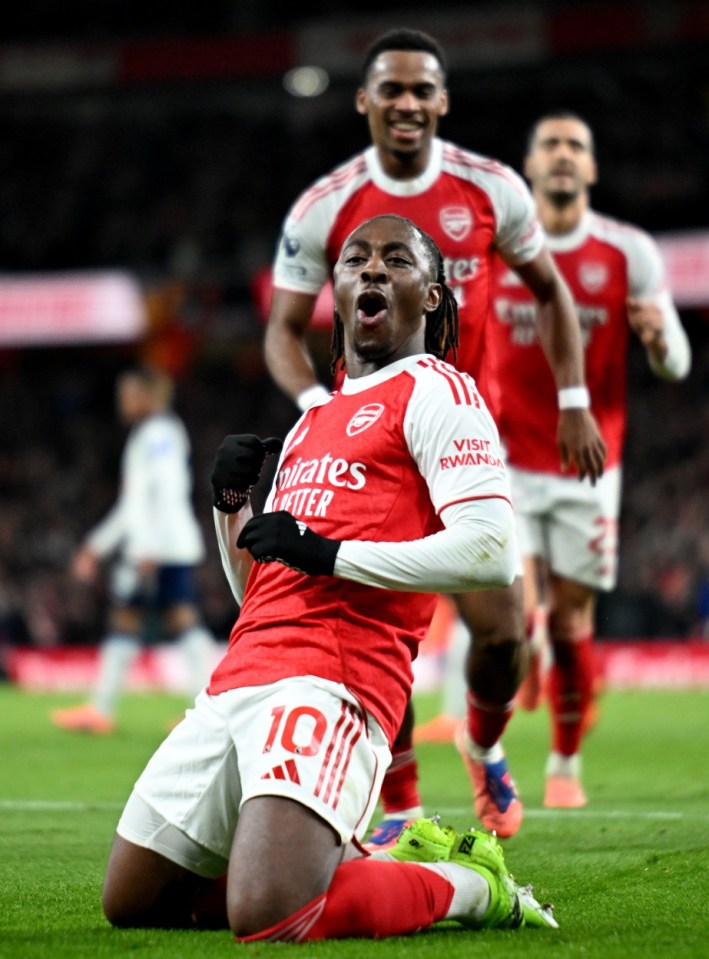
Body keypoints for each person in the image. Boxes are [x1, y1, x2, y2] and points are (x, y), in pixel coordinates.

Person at [99, 215, 559, 940]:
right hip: (238, 676)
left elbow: (491, 550)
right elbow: (261, 591)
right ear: (336, 289)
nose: (371, 269)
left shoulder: (437, 391)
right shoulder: (314, 418)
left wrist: (329, 553)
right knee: (131, 902)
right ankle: (351, 857)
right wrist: (230, 508)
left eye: (396, 259)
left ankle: (470, 884)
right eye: (356, 259)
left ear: (431, 296)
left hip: (334, 677)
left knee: (270, 913)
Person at [264, 27, 606, 842]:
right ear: (364, 101)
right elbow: (282, 330)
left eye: (422, 90)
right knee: (372, 624)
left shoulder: (491, 189)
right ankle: (401, 805)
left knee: (502, 635)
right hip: (364, 444)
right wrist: (318, 405)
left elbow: (550, 291)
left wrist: (572, 396)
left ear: (443, 100)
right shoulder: (324, 205)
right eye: (391, 89)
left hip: (459, 433)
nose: (407, 103)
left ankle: (481, 745)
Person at [487, 111, 691, 806]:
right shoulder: (497, 247)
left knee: (573, 622)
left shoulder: (626, 250)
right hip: (502, 459)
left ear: (593, 169)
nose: (564, 155)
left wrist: (661, 339)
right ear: (529, 166)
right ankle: (490, 742)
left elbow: (677, 363)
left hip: (586, 464)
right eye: (550, 144)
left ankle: (564, 764)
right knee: (508, 615)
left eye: (577, 146)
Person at [51, 367, 217, 734]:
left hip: (158, 548)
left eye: (128, 395)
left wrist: (145, 548)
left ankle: (107, 710)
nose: (122, 403)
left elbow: (165, 490)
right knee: (167, 618)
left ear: (148, 396)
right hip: (164, 545)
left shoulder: (159, 434)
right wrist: (96, 547)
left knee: (156, 618)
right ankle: (105, 710)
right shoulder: (153, 434)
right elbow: (134, 504)